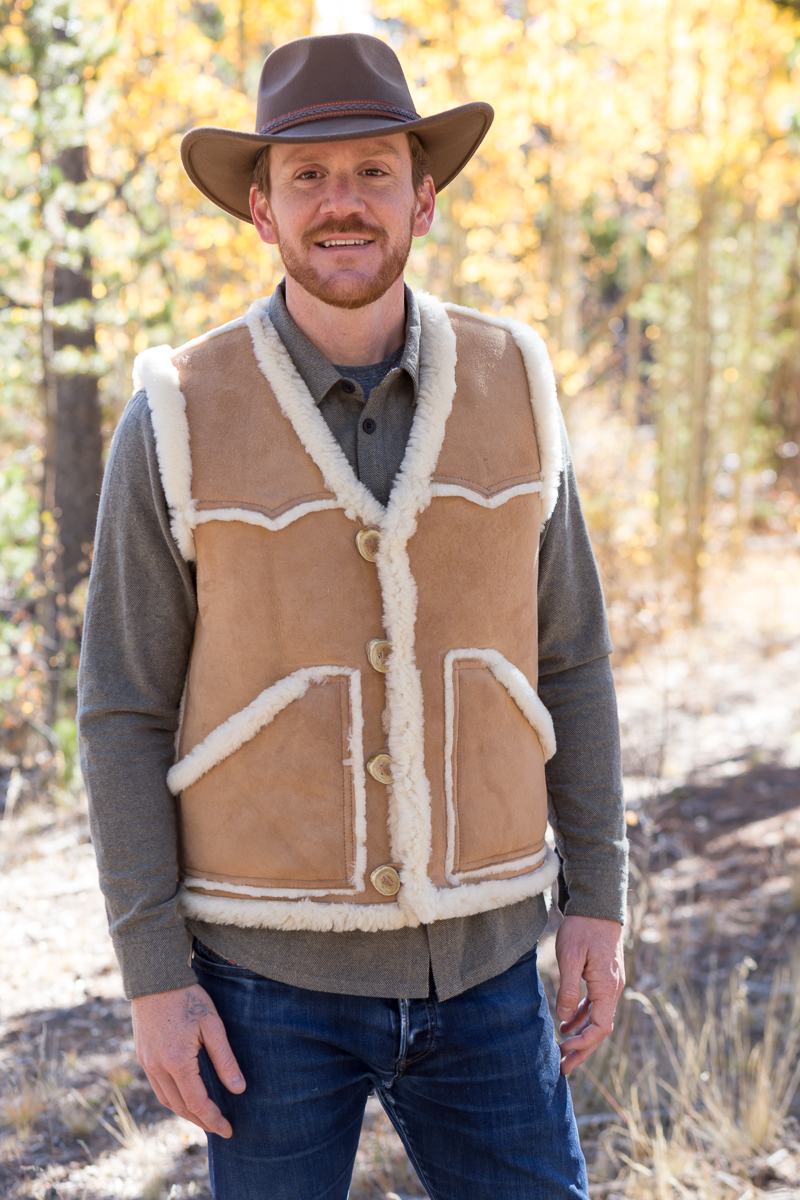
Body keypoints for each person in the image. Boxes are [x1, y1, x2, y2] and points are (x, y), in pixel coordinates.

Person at [78, 31, 627, 1200]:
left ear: (423, 201)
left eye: (373, 170)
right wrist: (153, 979)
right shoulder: (173, 412)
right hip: (260, 991)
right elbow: (121, 709)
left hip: (486, 971)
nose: (343, 203)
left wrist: (598, 902)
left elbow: (570, 659)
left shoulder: (516, 383)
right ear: (261, 211)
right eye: (308, 176)